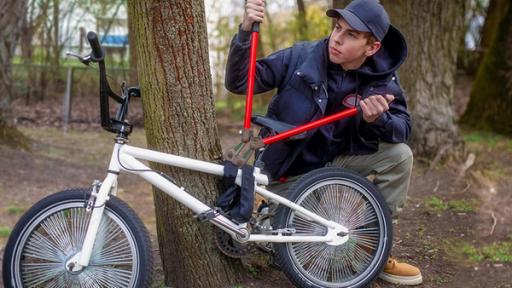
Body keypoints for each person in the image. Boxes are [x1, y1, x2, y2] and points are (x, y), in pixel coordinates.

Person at [225, 0, 422, 285]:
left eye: (351, 35)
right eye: (338, 28)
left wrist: (379, 120)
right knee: (304, 258)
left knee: (400, 155)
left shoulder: (383, 79)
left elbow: (402, 129)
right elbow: (239, 83)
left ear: (372, 48)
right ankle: (274, 214)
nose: (337, 39)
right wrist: (245, 32)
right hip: (289, 172)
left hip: (338, 163)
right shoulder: (300, 57)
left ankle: (373, 250)